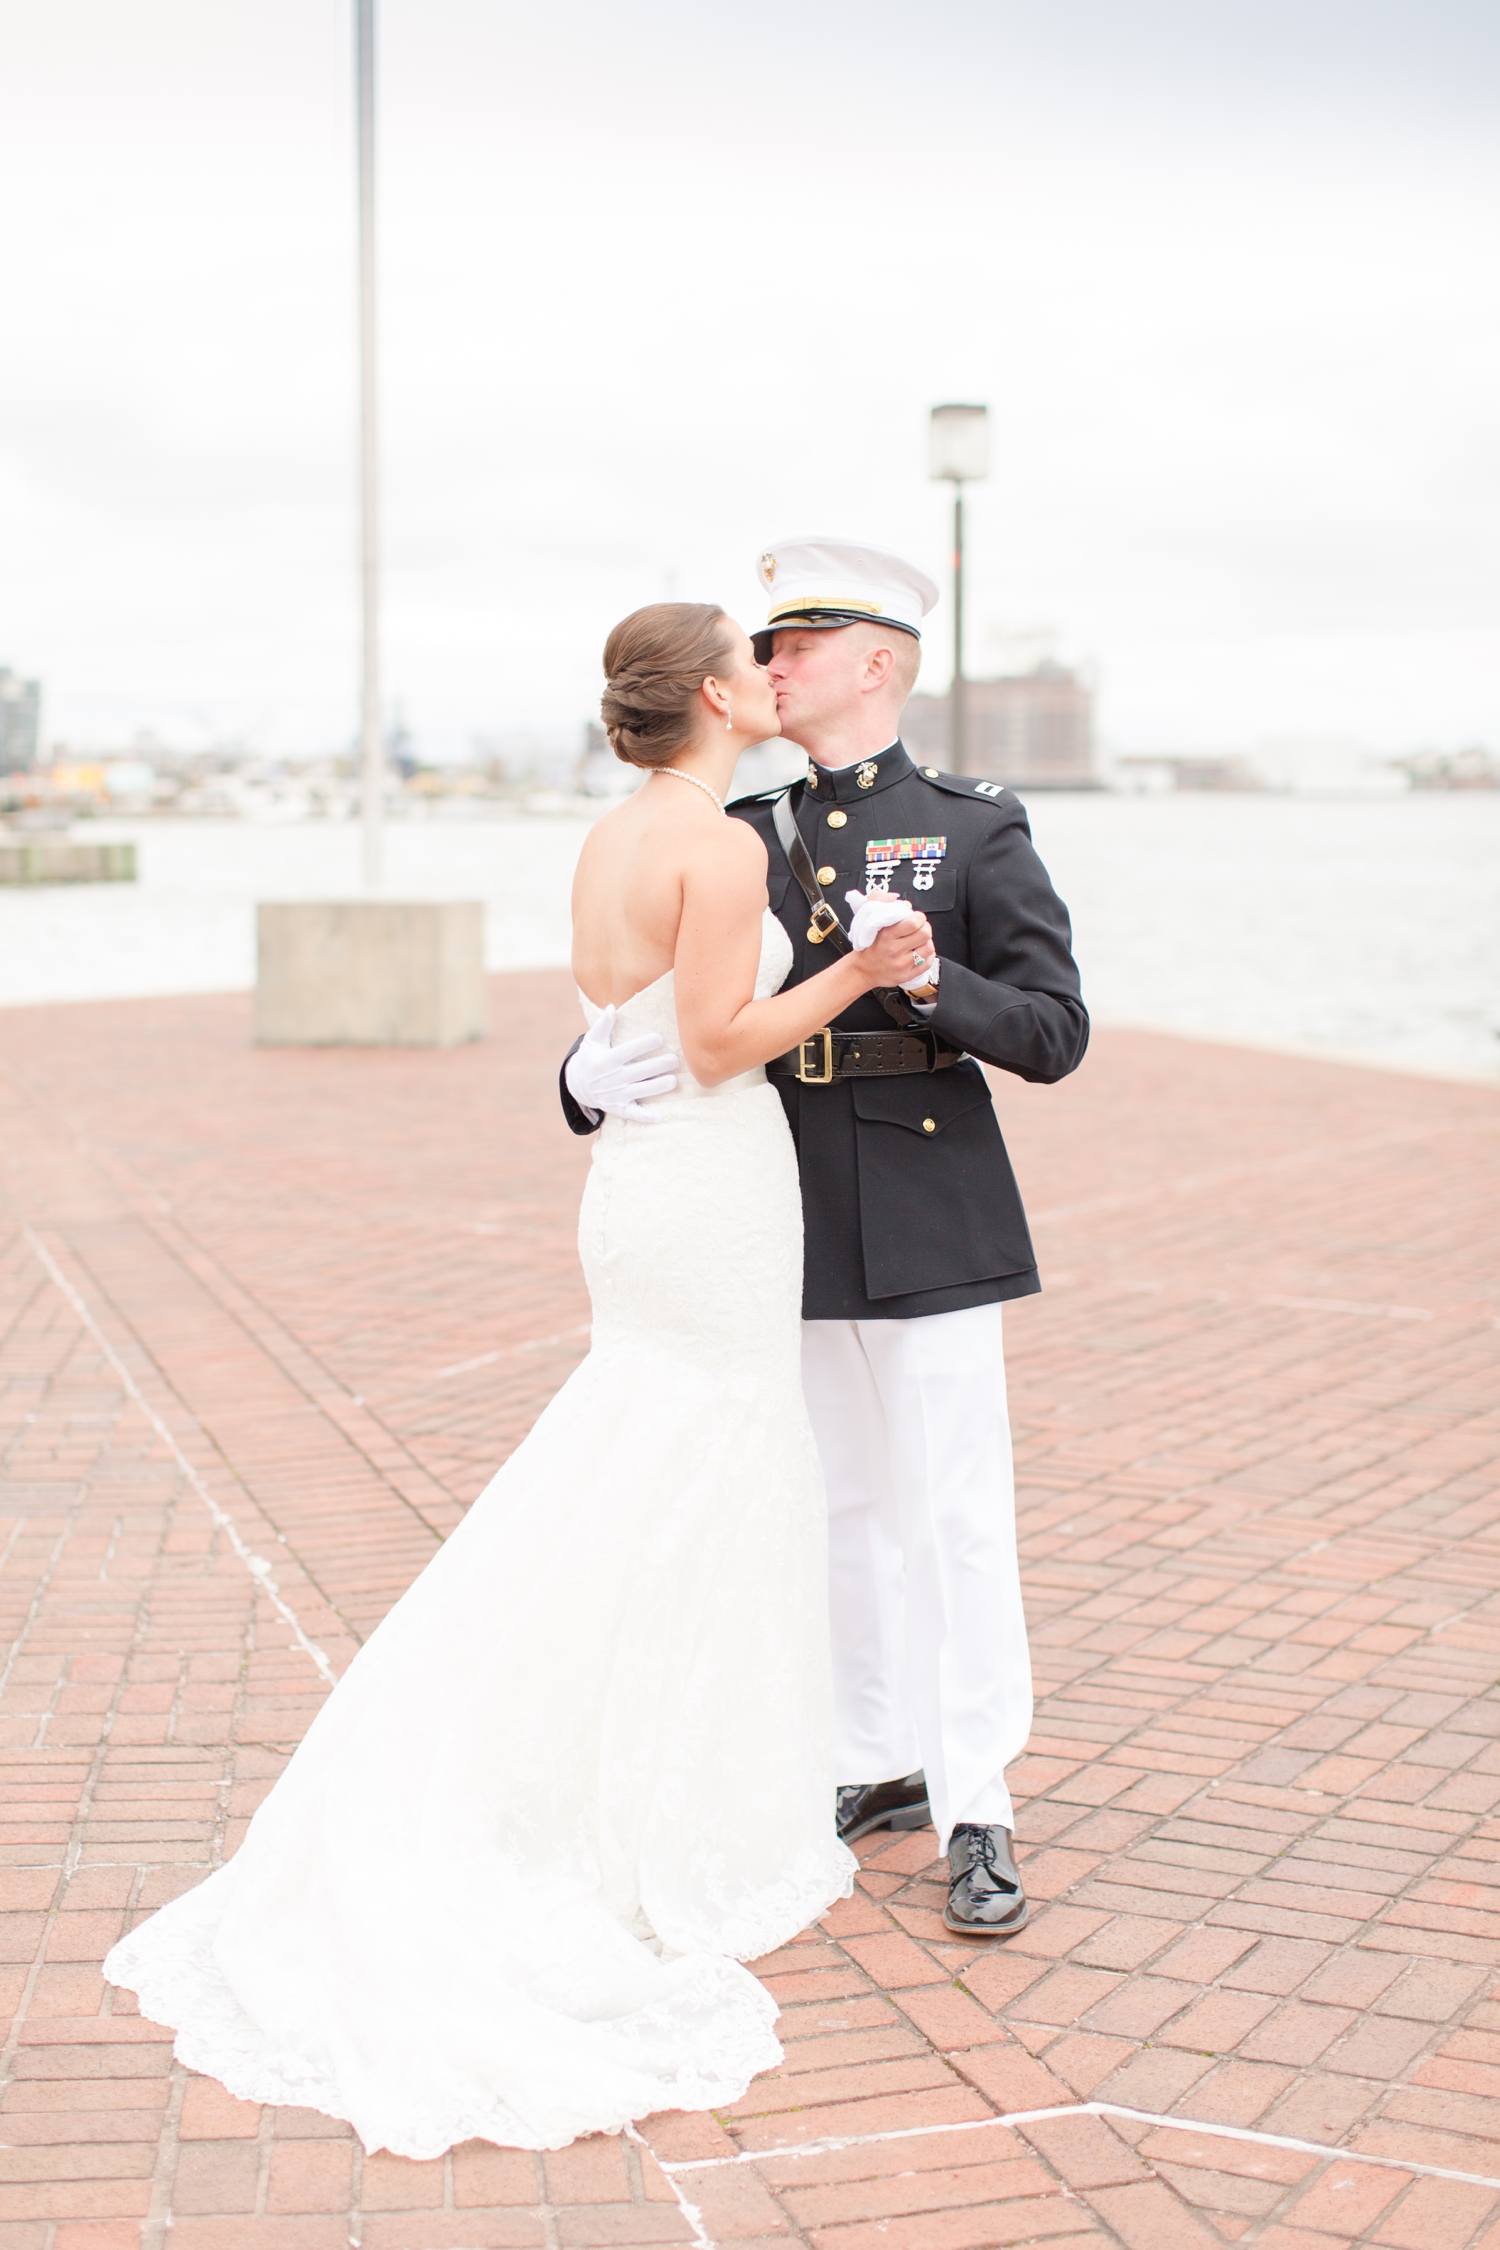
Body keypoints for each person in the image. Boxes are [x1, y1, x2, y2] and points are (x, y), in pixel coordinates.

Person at [103, 601, 936, 2158]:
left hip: (638, 1192)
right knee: (713, 1461)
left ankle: (629, 1756)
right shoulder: (725, 846)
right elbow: (709, 1037)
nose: (773, 672)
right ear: (711, 692)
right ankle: (664, 1807)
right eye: (753, 660)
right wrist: (864, 968)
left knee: (644, 1457)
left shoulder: (614, 835)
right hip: (709, 1188)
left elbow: (615, 1026)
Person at [563, 539, 1089, 1938]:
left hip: (926, 1192)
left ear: (879, 664)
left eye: (802, 644)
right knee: (841, 1505)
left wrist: (931, 978)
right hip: (775, 1198)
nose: (774, 662)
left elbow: (1054, 1032)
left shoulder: (975, 825)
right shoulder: (738, 821)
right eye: (765, 646)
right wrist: (579, 1075)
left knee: (956, 1511)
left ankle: (980, 1796)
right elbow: (671, 998)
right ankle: (876, 1760)